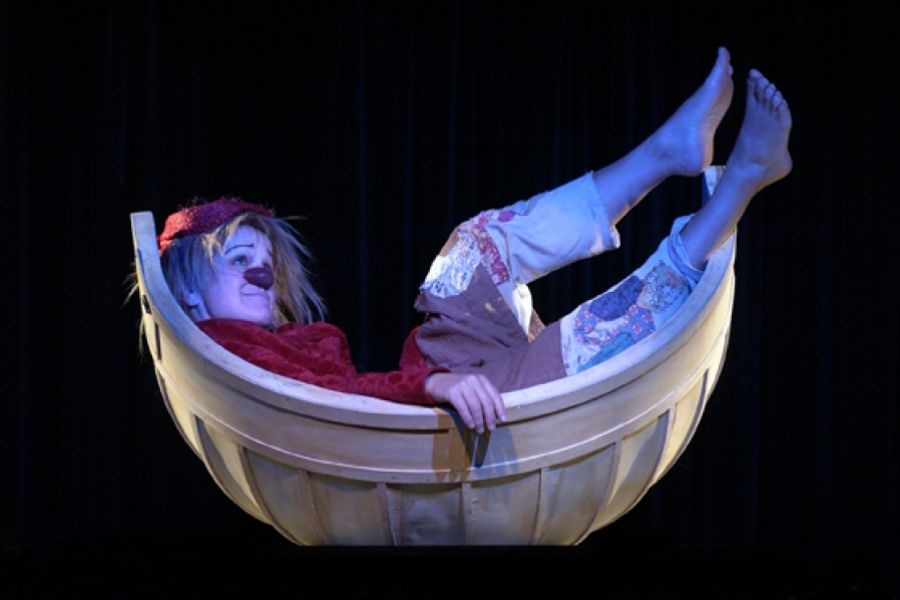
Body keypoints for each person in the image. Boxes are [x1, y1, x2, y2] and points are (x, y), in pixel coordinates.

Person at [153, 48, 792, 435]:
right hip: (459, 419)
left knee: (471, 249)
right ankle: (741, 182)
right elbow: (335, 402)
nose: (262, 271)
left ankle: (665, 152)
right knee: (588, 338)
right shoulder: (227, 356)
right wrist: (433, 387)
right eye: (239, 259)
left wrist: (432, 379)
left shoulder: (262, 346)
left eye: (265, 259)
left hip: (442, 376)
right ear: (188, 290)